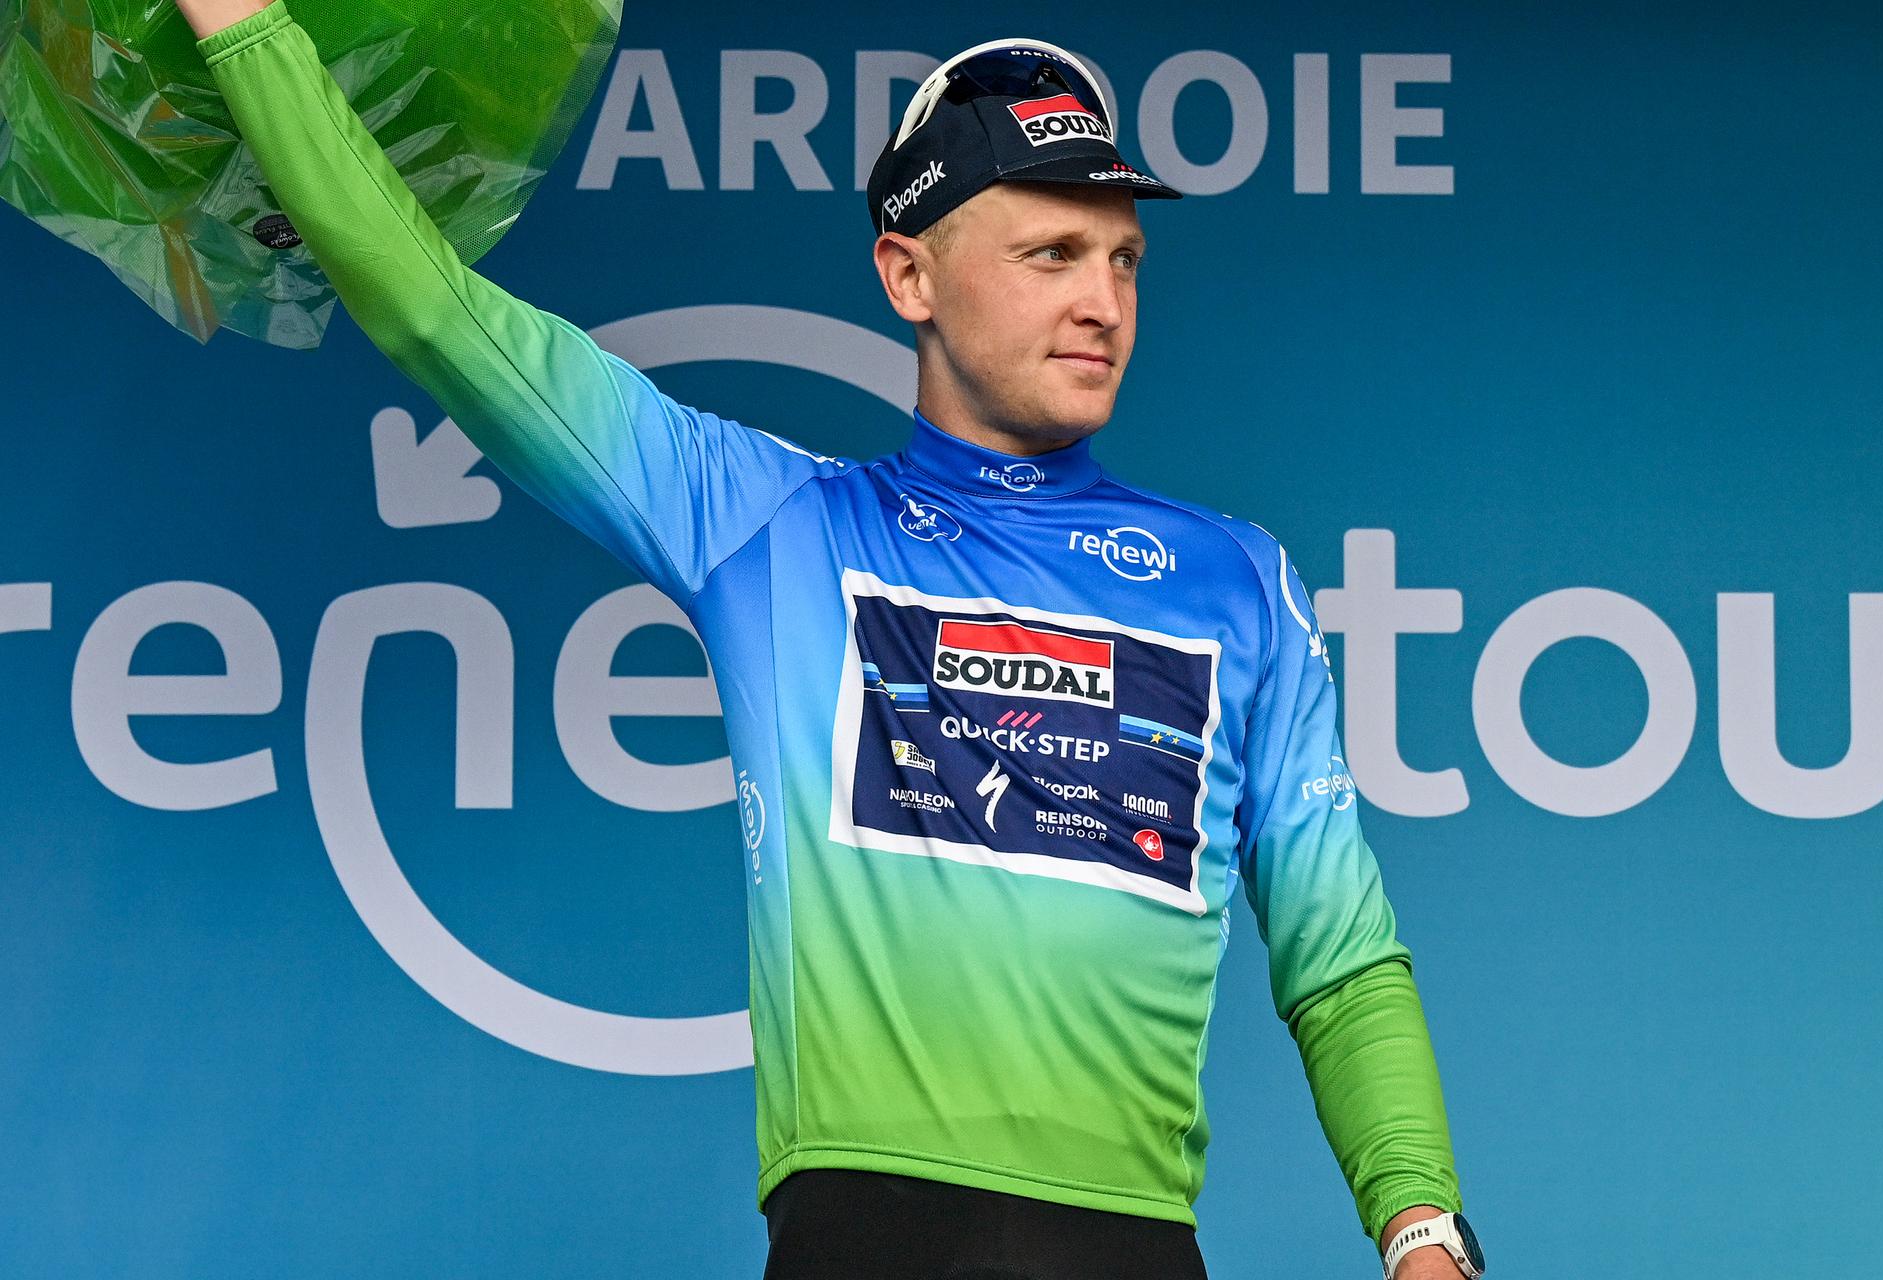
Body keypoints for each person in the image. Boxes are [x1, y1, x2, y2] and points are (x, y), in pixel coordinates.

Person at [171, 4, 1485, 1276]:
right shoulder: (771, 525)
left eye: (1123, 259)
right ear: (907, 271)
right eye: (1051, 255)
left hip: (1138, 1243)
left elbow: (1340, 953)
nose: (1102, 301)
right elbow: (433, 311)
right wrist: (241, 21)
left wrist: (1423, 1229)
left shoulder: (1238, 580)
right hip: (862, 1239)